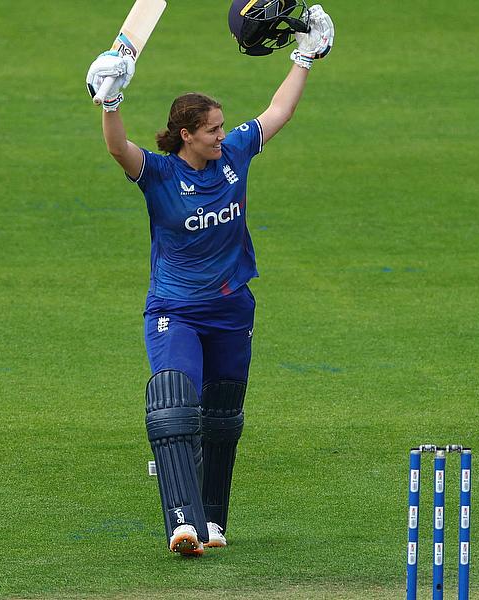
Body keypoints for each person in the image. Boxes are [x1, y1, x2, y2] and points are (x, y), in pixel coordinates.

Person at [85, 1, 334, 556]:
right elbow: (117, 148)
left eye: (223, 128)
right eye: (213, 130)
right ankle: (181, 523)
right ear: (185, 134)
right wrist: (110, 100)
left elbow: (276, 113)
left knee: (221, 419)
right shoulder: (160, 173)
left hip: (231, 308)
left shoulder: (234, 156)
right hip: (176, 308)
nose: (223, 135)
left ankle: (213, 522)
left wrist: (306, 57)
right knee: (175, 404)